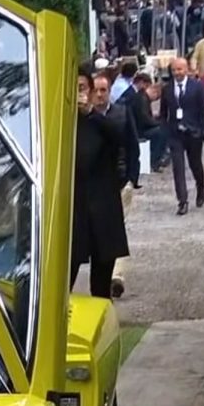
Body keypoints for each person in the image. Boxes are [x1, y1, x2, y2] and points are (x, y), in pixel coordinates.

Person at [72, 67, 129, 299]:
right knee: (65, 276)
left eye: (82, 88)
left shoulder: (102, 120)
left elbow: (119, 138)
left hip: (102, 209)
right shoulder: (63, 124)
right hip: (75, 211)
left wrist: (90, 113)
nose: (79, 94)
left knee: (101, 286)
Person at [160, 57, 204, 216]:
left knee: (195, 164)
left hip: (193, 133)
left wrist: (202, 132)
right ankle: (182, 201)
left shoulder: (198, 87)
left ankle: (200, 187)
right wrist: (165, 130)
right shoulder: (167, 89)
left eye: (180, 69)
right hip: (175, 134)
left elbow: (203, 112)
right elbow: (163, 113)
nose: (177, 73)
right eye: (174, 70)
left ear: (186, 69)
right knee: (178, 168)